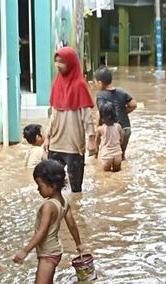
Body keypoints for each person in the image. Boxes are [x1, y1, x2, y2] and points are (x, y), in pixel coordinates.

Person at [13, 159, 84, 284]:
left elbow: (42, 231)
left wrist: (25, 251)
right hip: (55, 251)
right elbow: (72, 225)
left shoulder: (48, 206)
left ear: (52, 185)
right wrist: (78, 244)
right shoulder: (64, 203)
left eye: (40, 186)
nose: (38, 189)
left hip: (47, 254)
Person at [44, 47, 97, 193]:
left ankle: (76, 213)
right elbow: (53, 113)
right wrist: (47, 137)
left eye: (62, 62)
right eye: (56, 62)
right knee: (52, 187)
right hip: (55, 144)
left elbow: (87, 116)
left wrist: (92, 139)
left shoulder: (80, 85)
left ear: (71, 63)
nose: (58, 65)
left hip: (74, 146)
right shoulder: (56, 83)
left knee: (76, 190)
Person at [94, 66, 137, 159]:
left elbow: (101, 113)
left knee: (108, 155)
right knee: (121, 156)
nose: (95, 85)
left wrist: (97, 128)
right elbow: (133, 104)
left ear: (100, 83)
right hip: (126, 129)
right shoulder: (121, 91)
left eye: (95, 83)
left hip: (112, 132)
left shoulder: (100, 96)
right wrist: (123, 112)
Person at [95, 102, 124, 172]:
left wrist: (96, 155)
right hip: (118, 155)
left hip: (106, 156)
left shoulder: (100, 129)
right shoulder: (118, 127)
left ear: (102, 117)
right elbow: (121, 141)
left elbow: (96, 144)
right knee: (117, 174)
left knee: (106, 176)